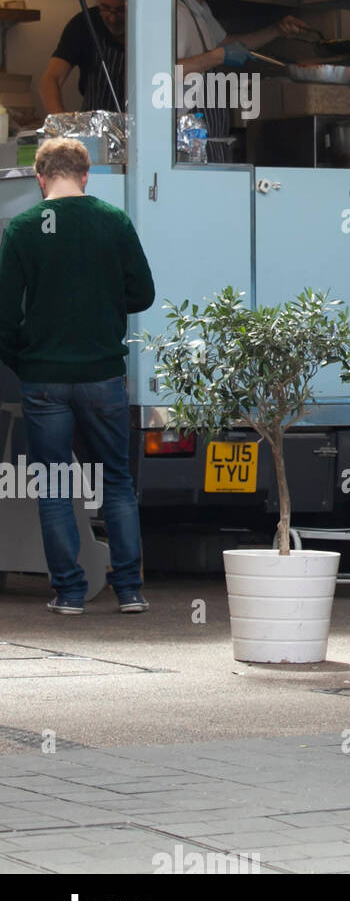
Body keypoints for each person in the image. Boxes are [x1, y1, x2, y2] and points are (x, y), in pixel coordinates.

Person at [0, 137, 155, 614]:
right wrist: (104, 303)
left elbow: (4, 316)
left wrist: (26, 363)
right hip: (103, 376)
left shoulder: (23, 229)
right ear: (86, 176)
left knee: (53, 484)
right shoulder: (114, 222)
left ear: (41, 179)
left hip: (44, 378)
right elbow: (143, 293)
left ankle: (69, 592)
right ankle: (128, 590)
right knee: (116, 482)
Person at [175, 0, 309, 163]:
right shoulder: (174, 11)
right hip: (188, 147)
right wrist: (218, 56)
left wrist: (277, 29)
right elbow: (164, 71)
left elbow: (227, 44)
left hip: (211, 144)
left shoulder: (199, 10)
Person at [38, 0, 126, 115]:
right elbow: (51, 78)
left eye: (121, 10)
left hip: (142, 129)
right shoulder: (85, 24)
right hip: (93, 129)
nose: (113, 18)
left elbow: (178, 72)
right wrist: (61, 121)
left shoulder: (156, 27)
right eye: (105, 8)